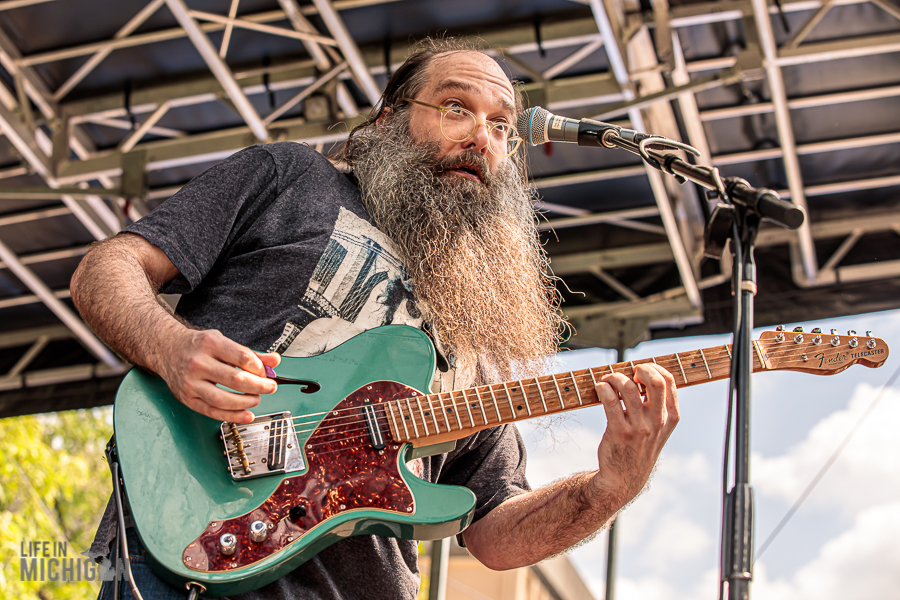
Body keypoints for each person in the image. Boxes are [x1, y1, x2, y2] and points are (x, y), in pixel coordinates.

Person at [71, 37, 679, 600]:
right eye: (454, 107)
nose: (481, 136)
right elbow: (108, 267)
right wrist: (171, 347)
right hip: (182, 549)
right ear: (388, 119)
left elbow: (495, 534)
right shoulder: (292, 179)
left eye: (501, 125)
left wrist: (610, 488)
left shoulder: (479, 323)